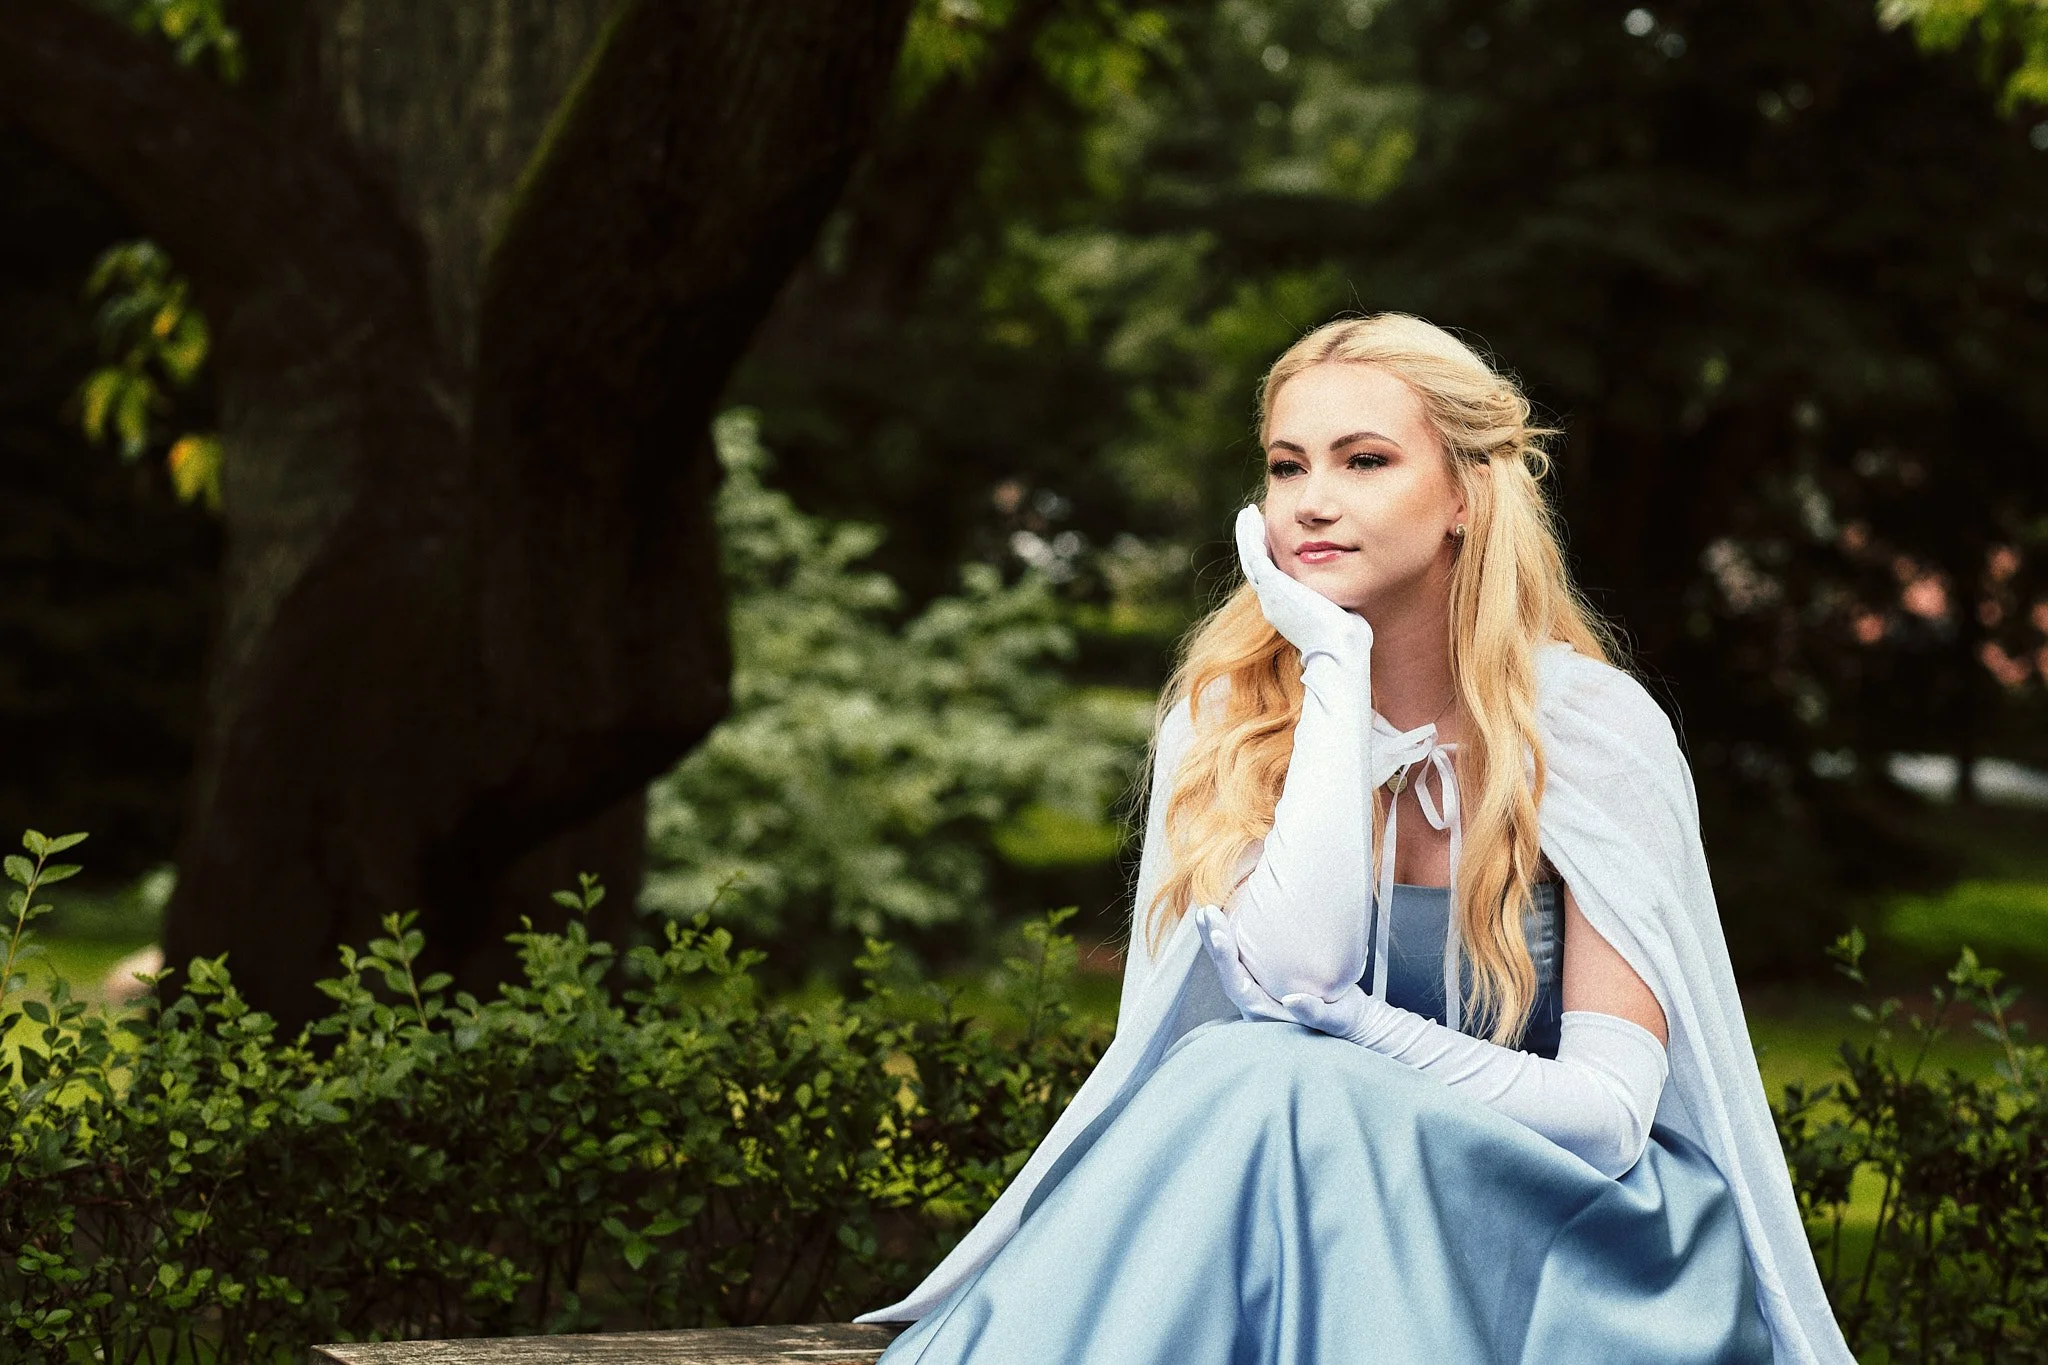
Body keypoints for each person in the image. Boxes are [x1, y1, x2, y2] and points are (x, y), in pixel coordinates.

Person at [855, 313, 1854, 1364]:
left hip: (1571, 1246)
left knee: (1277, 1078)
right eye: (1285, 469)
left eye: (1363, 460)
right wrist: (1332, 666)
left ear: (1464, 495)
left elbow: (1605, 1120)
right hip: (1321, 1201)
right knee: (1264, 1079)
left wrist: (1359, 1033)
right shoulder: (1231, 722)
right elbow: (1293, 974)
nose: (1311, 502)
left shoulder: (1589, 731)